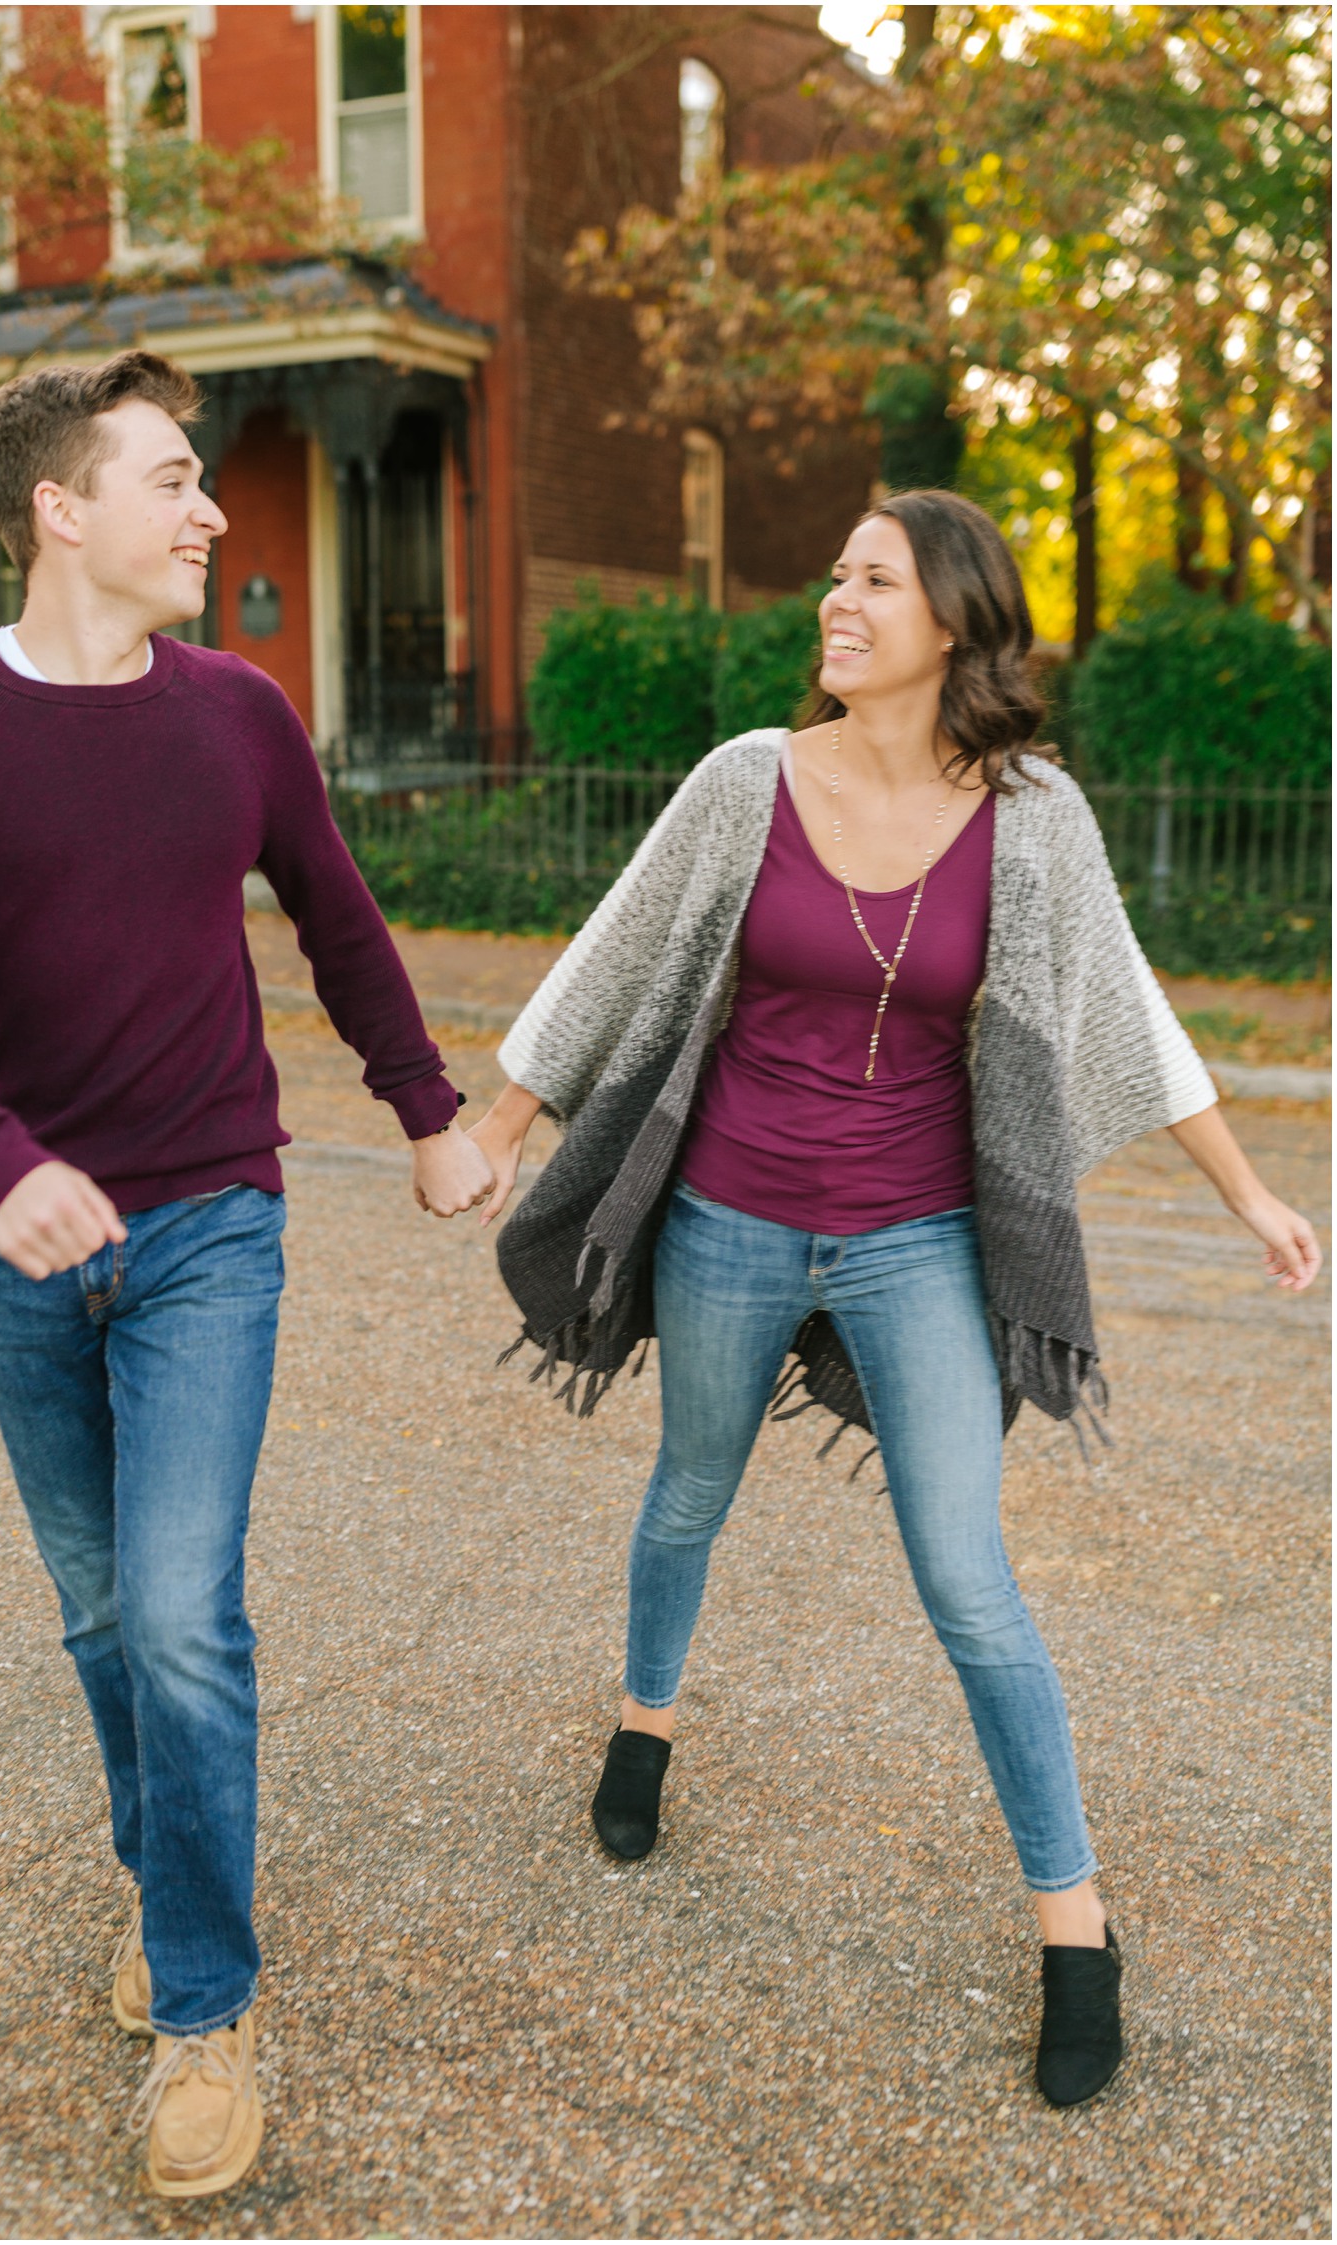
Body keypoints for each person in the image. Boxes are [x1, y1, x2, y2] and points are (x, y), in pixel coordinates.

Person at [463, 489, 1321, 2110]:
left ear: (951, 621)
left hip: (919, 1234)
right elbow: (615, 947)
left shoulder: (1035, 816)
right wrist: (499, 1129)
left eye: (873, 580)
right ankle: (645, 1721)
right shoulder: (746, 782)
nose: (836, 602)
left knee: (968, 1575)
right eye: (837, 578)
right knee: (688, 1493)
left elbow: (1122, 1002)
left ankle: (1077, 1924)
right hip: (725, 1214)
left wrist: (1254, 1190)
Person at [0, 349, 493, 2199]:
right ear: (61, 509)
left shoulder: (241, 716)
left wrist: (429, 1109)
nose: (212, 510)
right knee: (102, 1609)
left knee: (185, 1609)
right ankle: (164, 1871)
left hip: (213, 1216)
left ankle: (206, 2005)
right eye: (175, 479)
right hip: (22, 1247)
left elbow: (341, 917)